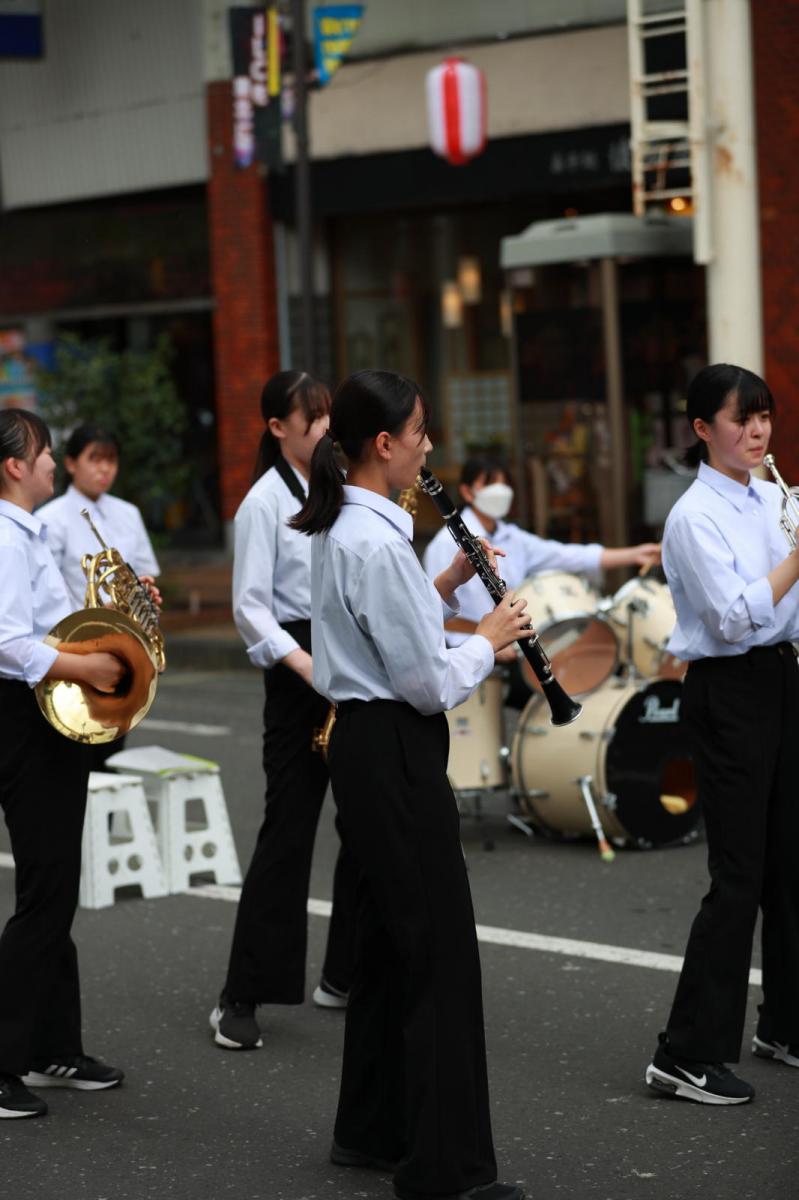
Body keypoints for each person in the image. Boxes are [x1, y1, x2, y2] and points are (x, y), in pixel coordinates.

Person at [292, 369, 528, 1200]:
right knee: (436, 956)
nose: (428, 447)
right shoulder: (378, 539)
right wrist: (491, 637)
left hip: (362, 745)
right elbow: (424, 681)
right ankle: (445, 1171)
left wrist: (447, 587)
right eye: (420, 432)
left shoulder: (344, 526)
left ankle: (373, 1129)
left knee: (389, 950)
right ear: (385, 442)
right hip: (393, 746)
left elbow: (378, 630)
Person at [644, 363, 799, 1105]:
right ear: (703, 429)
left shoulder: (774, 497)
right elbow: (735, 618)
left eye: (764, 415)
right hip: (728, 689)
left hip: (781, 679)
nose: (758, 430)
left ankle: (785, 1025)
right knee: (738, 873)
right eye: (742, 418)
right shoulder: (691, 517)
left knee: (790, 863)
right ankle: (685, 1052)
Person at [209, 370, 357, 1051]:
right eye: (312, 419)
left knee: (367, 823)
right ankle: (239, 996)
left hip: (348, 658)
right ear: (277, 428)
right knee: (288, 833)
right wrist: (306, 667)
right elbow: (250, 609)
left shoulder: (344, 486)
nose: (325, 429)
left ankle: (345, 973)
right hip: (298, 672)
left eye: (329, 416)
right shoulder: (262, 503)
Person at [0, 409, 126, 1120]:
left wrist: (119, 621)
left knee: (51, 889)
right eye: (45, 451)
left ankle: (52, 1048)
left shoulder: (24, 531)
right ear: (15, 465)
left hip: (39, 717)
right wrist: (89, 665)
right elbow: (8, 643)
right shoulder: (4, 535)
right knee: (46, 894)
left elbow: (48, 625)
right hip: (21, 719)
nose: (53, 461)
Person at [423, 456, 661, 671]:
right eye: (490, 484)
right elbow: (434, 613)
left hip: (512, 648)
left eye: (504, 484)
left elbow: (569, 555)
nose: (500, 491)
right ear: (467, 492)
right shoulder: (444, 545)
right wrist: (484, 642)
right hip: (471, 656)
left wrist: (634, 554)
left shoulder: (512, 536)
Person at [37, 423, 160, 611]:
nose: (105, 468)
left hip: (128, 626)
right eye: (95, 459)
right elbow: (44, 593)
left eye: (111, 460)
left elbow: (146, 572)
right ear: (71, 464)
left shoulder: (130, 513)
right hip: (76, 628)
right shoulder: (48, 519)